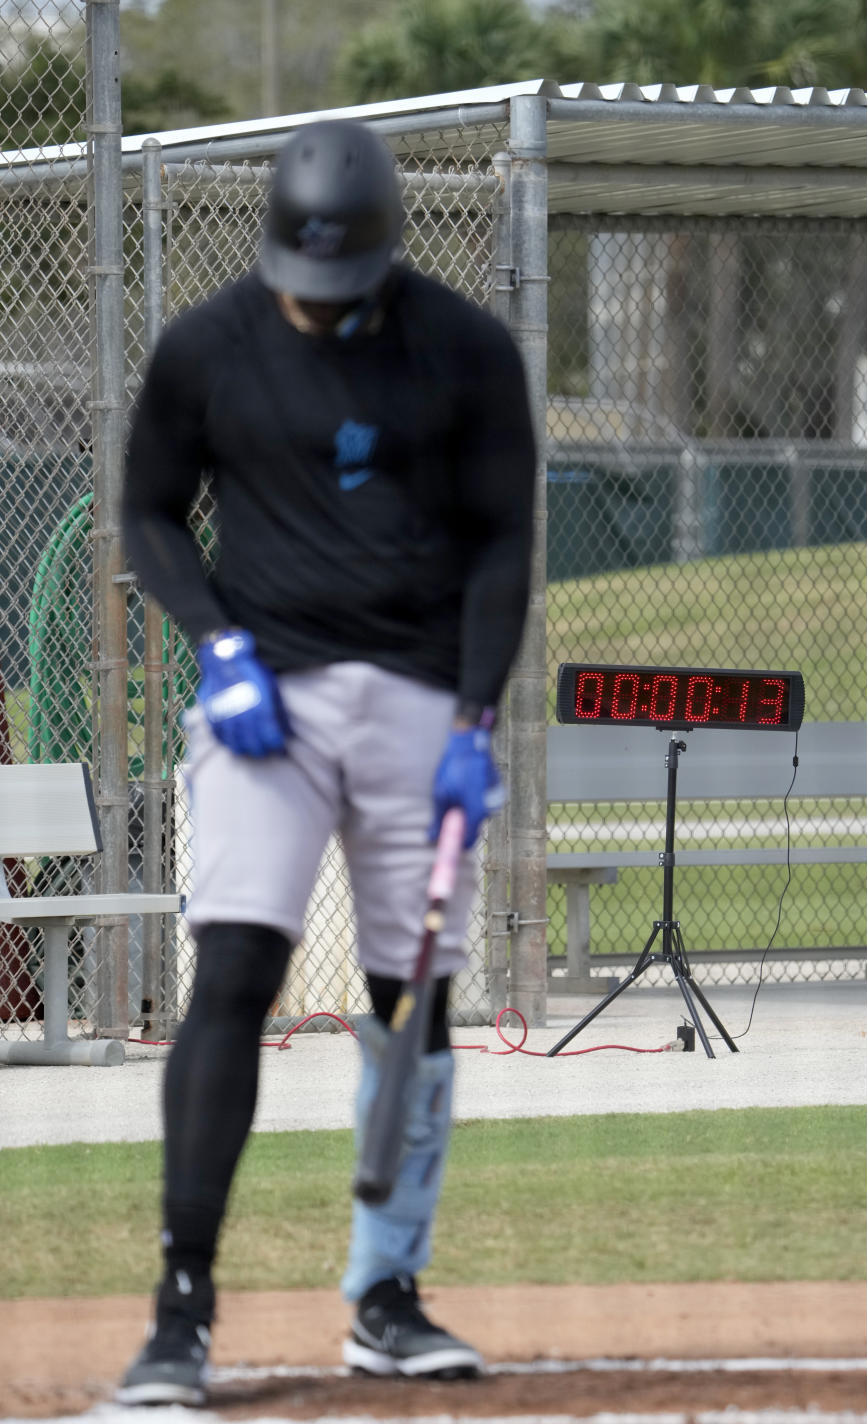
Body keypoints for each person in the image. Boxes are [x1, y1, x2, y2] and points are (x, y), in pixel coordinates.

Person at [115, 118, 535, 1407]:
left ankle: (385, 1297)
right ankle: (181, 1311)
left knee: (417, 1003)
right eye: (303, 290)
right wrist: (216, 645)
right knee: (236, 967)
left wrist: (476, 721)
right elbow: (147, 510)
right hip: (268, 700)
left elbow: (503, 541)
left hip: (419, 697)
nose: (320, 310)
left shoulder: (465, 347)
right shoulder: (205, 346)